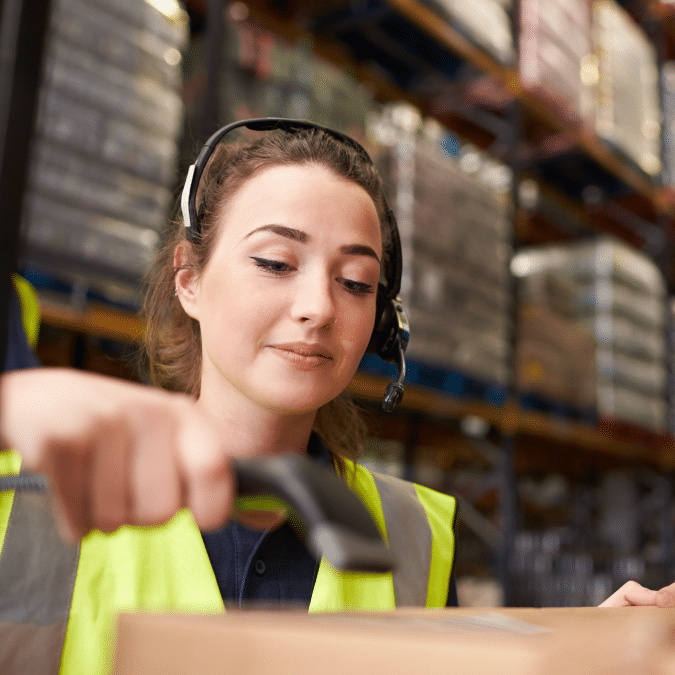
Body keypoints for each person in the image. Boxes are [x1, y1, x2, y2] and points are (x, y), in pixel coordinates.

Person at [0, 119, 673, 675]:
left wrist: (579, 648)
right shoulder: (25, 498)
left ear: (381, 321)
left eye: (355, 281)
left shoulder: (416, 534)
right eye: (274, 263)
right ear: (189, 279)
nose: (317, 307)